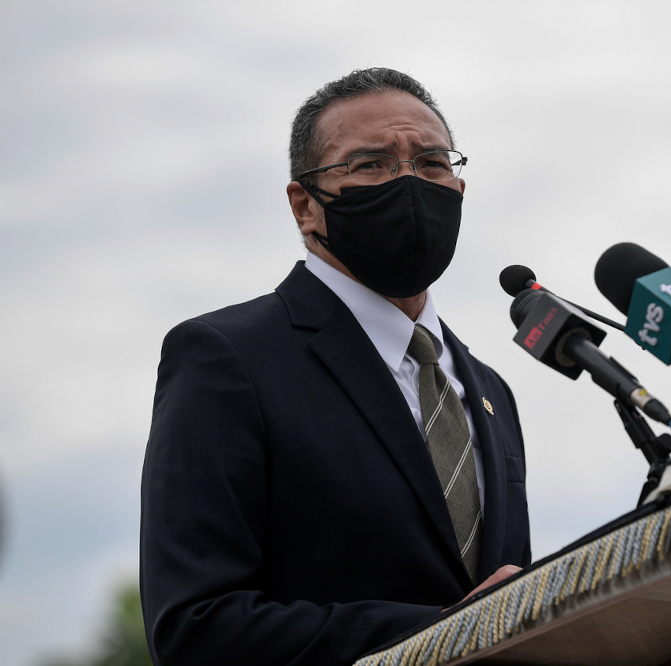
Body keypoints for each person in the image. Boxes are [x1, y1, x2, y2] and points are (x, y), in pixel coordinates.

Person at [139, 68, 531, 666]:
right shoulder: (226, 358)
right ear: (305, 205)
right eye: (371, 164)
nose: (409, 182)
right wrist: (451, 635)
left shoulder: (490, 392)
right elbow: (198, 628)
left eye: (431, 163)